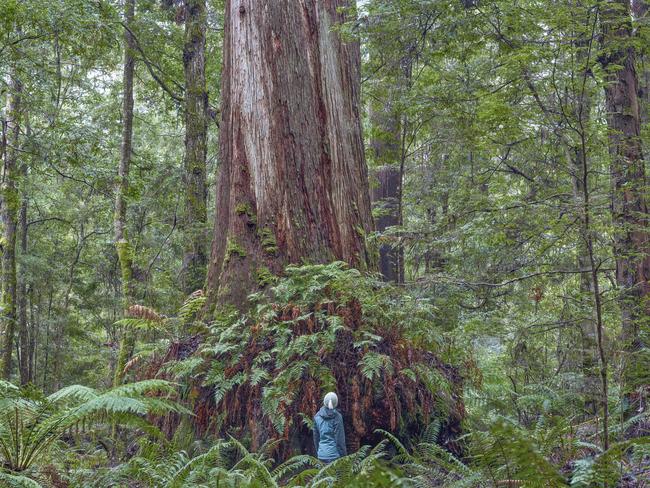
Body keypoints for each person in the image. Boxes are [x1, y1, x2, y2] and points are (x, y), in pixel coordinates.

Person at [313, 391, 347, 463]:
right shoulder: (337, 417)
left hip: (321, 455)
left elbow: (316, 438)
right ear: (336, 403)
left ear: (324, 401)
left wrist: (319, 451)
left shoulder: (317, 416)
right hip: (334, 456)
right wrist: (344, 456)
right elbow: (340, 439)